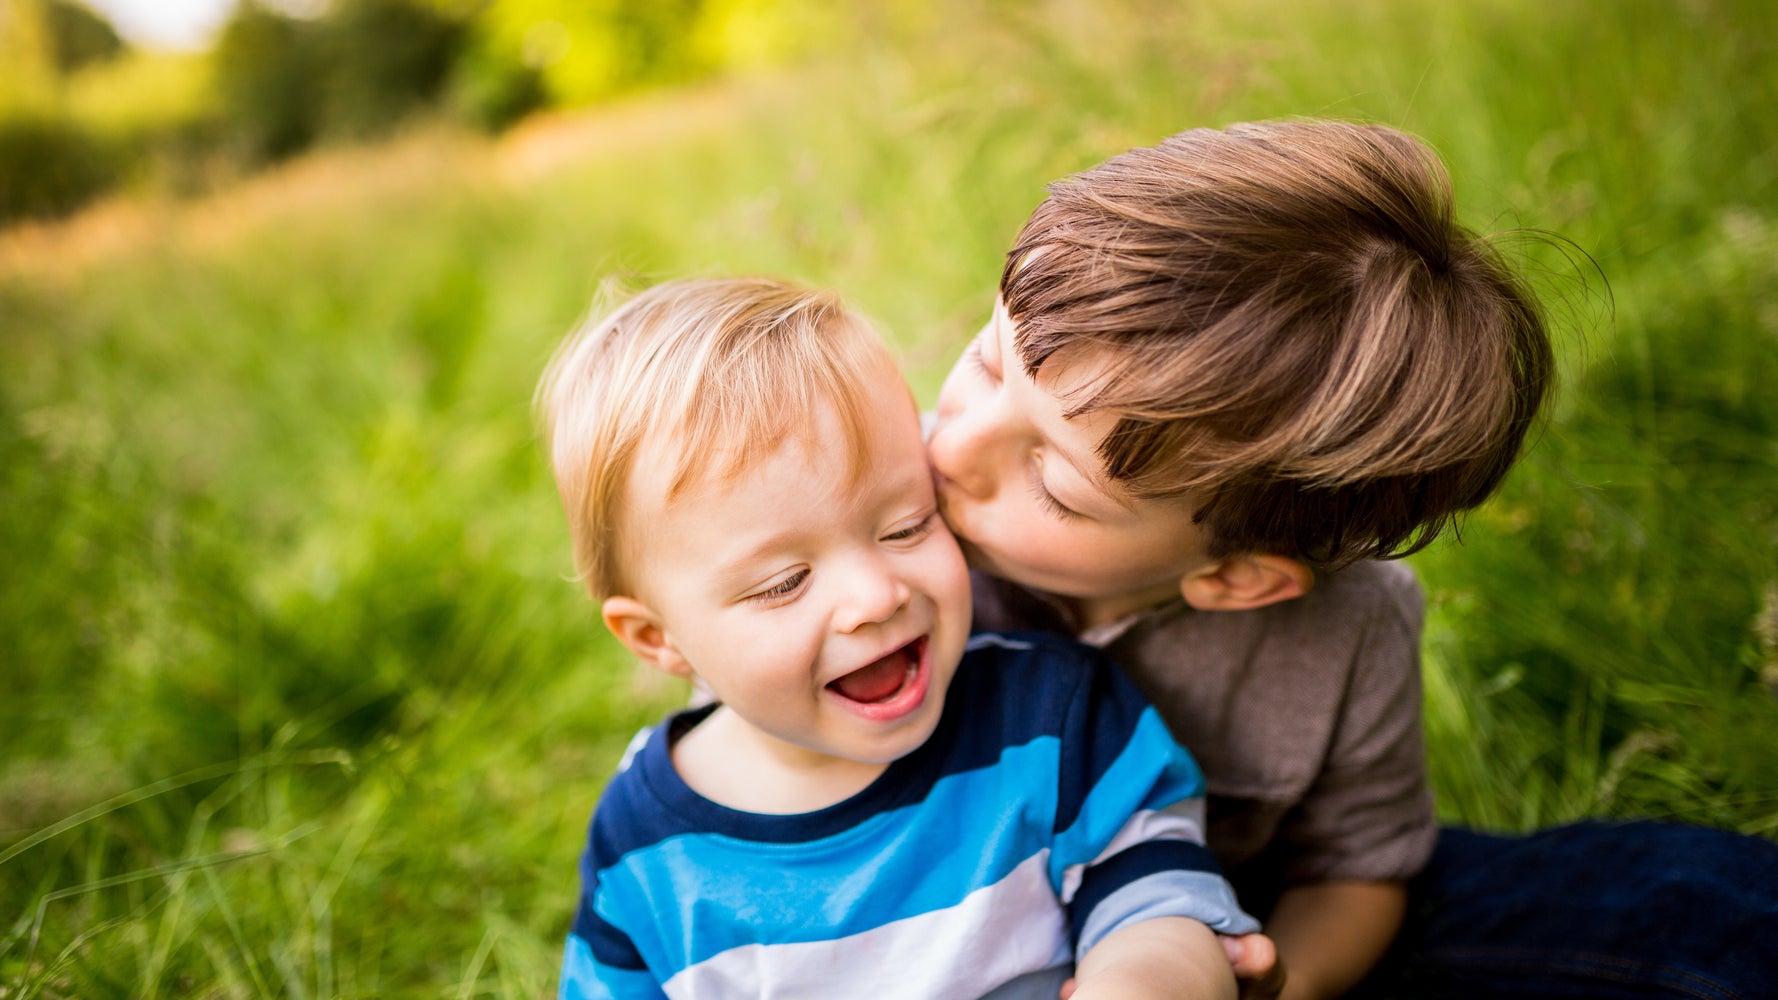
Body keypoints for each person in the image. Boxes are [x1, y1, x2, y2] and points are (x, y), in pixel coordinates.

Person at [925, 119, 1778, 999]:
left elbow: (1357, 873)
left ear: (1236, 578)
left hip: (1222, 922)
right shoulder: (874, 542)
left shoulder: (1348, 632)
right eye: (988, 364)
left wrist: (1282, 981)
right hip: (914, 922)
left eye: (1057, 486)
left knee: (1689, 907)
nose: (953, 448)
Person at [537, 276, 1262, 1000]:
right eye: (785, 581)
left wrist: (1146, 977)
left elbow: (1160, 903)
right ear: (659, 638)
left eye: (907, 526)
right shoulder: (644, 847)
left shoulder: (1052, 721)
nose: (876, 597)